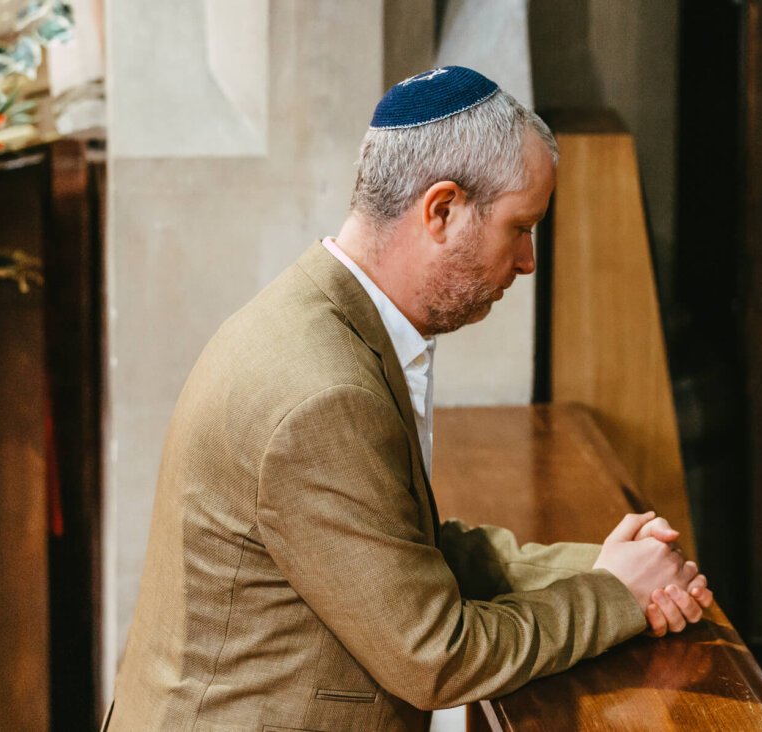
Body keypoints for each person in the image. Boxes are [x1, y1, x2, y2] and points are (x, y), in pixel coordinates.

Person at [106, 66, 713, 732]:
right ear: (443, 209)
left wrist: (604, 565)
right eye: (520, 227)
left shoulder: (326, 320)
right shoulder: (320, 392)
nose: (528, 261)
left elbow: (410, 551)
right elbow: (437, 655)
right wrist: (615, 595)